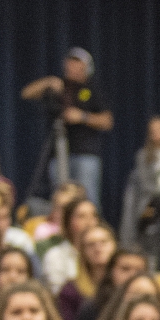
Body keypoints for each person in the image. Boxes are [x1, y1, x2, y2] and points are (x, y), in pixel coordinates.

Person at [21, 48, 113, 204]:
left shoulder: (92, 89)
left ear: (86, 67)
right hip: (58, 151)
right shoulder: (60, 86)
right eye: (69, 62)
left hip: (85, 153)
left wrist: (82, 116)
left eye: (77, 63)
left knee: (87, 198)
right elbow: (26, 93)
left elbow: (107, 121)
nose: (71, 66)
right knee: (60, 198)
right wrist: (48, 82)